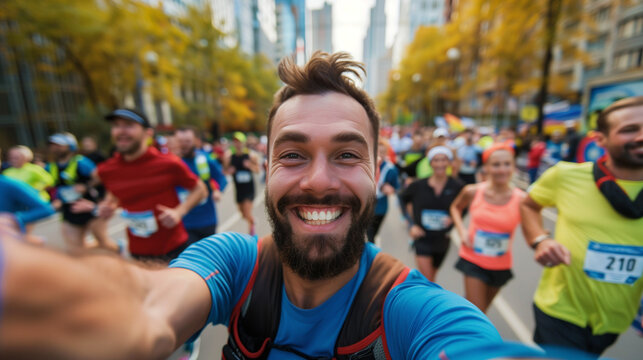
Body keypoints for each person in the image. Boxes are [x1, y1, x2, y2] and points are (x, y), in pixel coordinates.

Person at [0, 52, 502, 360]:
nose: (318, 180)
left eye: (347, 155)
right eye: (292, 154)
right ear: (267, 168)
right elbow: (147, 308)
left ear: (379, 168)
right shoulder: (234, 264)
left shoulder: (415, 313)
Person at [520, 96, 643, 356]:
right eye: (630, 129)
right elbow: (529, 205)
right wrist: (540, 240)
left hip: (615, 320)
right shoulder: (565, 176)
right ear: (600, 139)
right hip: (560, 312)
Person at [92, 109, 207, 262]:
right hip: (137, 252)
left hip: (173, 249)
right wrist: (108, 206)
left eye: (128, 125)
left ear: (148, 133)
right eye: (116, 125)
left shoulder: (168, 163)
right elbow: (113, 195)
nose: (121, 131)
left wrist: (179, 212)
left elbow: (200, 189)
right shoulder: (107, 170)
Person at [450, 143, 526, 313]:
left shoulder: (522, 199)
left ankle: (459, 326)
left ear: (513, 167)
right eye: (496, 164)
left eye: (507, 164)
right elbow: (455, 207)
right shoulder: (472, 191)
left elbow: (533, 228)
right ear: (486, 167)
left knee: (480, 313)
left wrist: (542, 239)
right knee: (477, 313)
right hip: (473, 259)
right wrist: (462, 231)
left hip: (501, 264)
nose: (502, 169)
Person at [400, 146, 464, 282]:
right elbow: (402, 198)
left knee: (432, 278)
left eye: (443, 160)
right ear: (430, 163)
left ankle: (424, 300)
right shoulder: (418, 185)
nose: (440, 163)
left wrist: (454, 219)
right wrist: (411, 225)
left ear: (449, 162)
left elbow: (464, 206)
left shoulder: (457, 186)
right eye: (436, 160)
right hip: (422, 237)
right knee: (427, 279)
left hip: (442, 240)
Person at [46, 132, 116, 253]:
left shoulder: (81, 162)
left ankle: (118, 248)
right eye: (53, 145)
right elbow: (50, 185)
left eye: (59, 144)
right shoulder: (50, 166)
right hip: (69, 210)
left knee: (104, 243)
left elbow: (99, 178)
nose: (55, 147)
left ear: (70, 146)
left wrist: (85, 186)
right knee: (75, 250)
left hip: (89, 207)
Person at [175, 126, 228, 244]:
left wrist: (217, 191)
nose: (184, 145)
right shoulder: (172, 163)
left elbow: (221, 178)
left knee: (210, 256)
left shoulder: (204, 160)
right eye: (180, 142)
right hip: (183, 222)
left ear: (196, 141)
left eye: (188, 141)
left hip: (207, 220)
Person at [0, 149, 55, 244]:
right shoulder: (8, 172)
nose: (13, 160)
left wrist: (14, 219)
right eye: (11, 158)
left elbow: (49, 182)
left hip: (11, 243)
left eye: (16, 157)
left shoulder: (9, 183)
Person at [224, 131, 261, 236]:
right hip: (238, 188)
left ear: (243, 143)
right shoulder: (230, 157)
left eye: (239, 142)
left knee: (247, 211)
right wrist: (229, 171)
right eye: (235, 142)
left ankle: (251, 235)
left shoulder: (250, 155)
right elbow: (225, 171)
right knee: (242, 214)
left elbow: (258, 170)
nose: (237, 144)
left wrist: (250, 166)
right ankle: (252, 221)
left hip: (249, 188)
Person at [366, 138, 399, 243]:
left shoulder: (390, 169)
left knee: (373, 234)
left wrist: (390, 189)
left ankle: (370, 256)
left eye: (383, 152)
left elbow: (396, 187)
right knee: (368, 236)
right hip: (366, 205)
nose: (380, 155)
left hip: (380, 207)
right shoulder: (365, 165)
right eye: (378, 152)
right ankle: (369, 256)